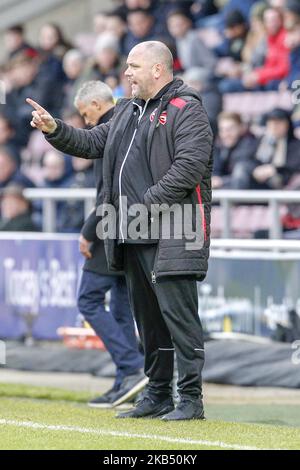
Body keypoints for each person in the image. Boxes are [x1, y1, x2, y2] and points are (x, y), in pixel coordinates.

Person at [27, 40, 213, 421]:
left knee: (180, 320)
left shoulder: (186, 109)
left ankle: (191, 400)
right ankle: (157, 395)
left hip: (174, 230)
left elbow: (190, 166)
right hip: (132, 232)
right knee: (148, 323)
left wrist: (144, 203)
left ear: (158, 70)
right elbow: (93, 141)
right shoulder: (129, 110)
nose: (126, 73)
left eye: (133, 66)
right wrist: (54, 129)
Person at [74, 80, 145, 408]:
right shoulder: (126, 122)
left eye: (85, 113)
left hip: (108, 228)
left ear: (97, 104)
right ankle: (126, 384)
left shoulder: (108, 129)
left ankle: (131, 369)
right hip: (127, 226)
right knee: (120, 307)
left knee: (88, 299)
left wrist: (89, 230)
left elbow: (107, 188)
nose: (85, 121)